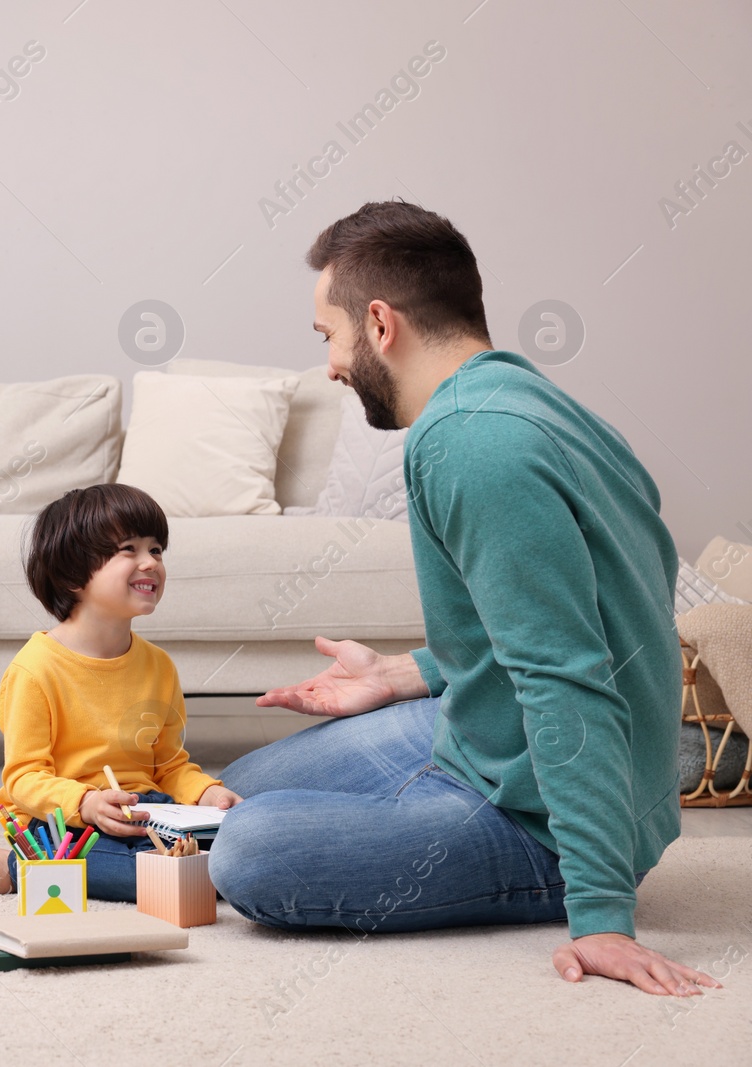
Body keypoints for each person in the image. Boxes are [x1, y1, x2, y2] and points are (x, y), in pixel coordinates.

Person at [208, 201, 719, 998]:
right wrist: (405, 672)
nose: (332, 366)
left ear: (379, 324)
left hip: (542, 818)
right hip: (482, 738)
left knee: (246, 849)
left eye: (327, 338)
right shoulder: (524, 402)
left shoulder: (472, 442)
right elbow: (570, 613)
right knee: (227, 793)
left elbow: (565, 674)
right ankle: (80, 837)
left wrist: (601, 913)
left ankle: (51, 864)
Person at [0, 484, 240, 902]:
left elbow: (169, 765)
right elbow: (23, 779)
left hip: (145, 811)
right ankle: (18, 866)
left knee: (230, 850)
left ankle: (186, 870)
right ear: (73, 573)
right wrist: (85, 801)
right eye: (129, 549)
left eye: (156, 549)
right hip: (62, 821)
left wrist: (206, 793)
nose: (150, 563)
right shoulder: (34, 670)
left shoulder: (159, 666)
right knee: (158, 874)